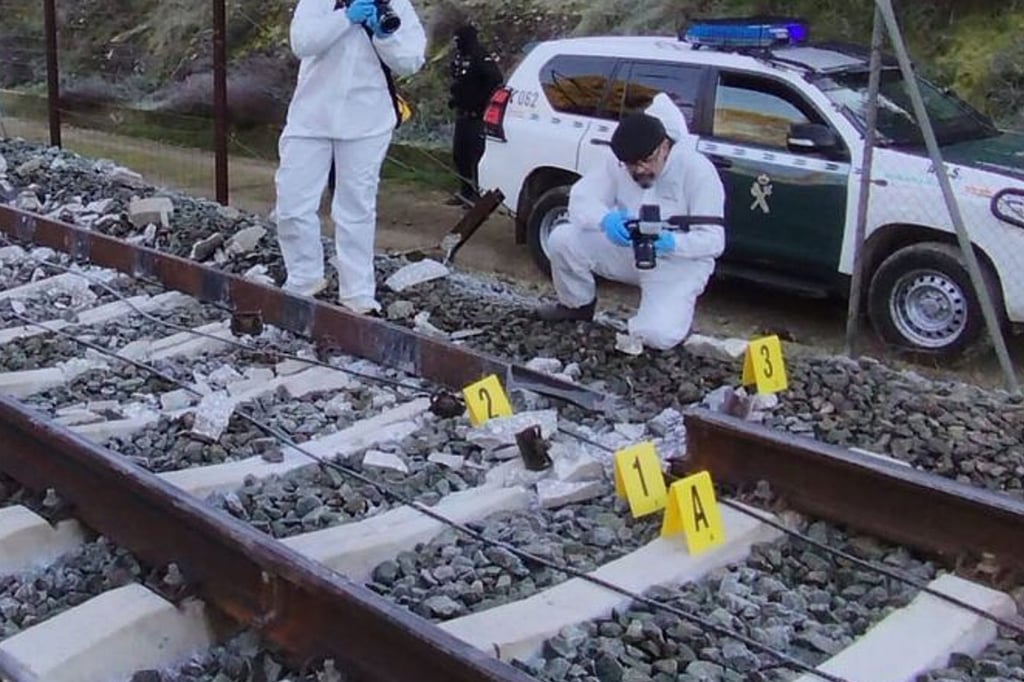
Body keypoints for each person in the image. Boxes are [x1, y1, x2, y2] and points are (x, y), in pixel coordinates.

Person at [536, 93, 726, 351]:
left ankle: (674, 316)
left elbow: (714, 242)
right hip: (629, 250)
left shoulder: (697, 171)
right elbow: (581, 199)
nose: (638, 170)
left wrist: (670, 242)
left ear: (664, 147)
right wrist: (606, 220)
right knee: (561, 239)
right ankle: (576, 306)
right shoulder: (620, 163)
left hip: (677, 263)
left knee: (655, 337)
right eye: (630, 165)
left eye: (645, 162)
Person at [273, 0, 427, 314]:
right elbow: (302, 42)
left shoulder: (395, 3)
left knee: (356, 207)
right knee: (292, 203)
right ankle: (304, 278)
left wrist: (383, 35)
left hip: (367, 119)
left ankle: (357, 293)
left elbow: (411, 60)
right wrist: (345, 17)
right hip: (311, 116)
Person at [446, 23, 503, 207]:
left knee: (475, 156)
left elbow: (495, 80)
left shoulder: (480, 56)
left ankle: (477, 194)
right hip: (462, 113)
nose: (457, 43)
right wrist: (457, 97)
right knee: (460, 155)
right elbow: (459, 80)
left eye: (459, 40)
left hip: (477, 115)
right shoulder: (461, 56)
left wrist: (480, 101)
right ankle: (465, 192)